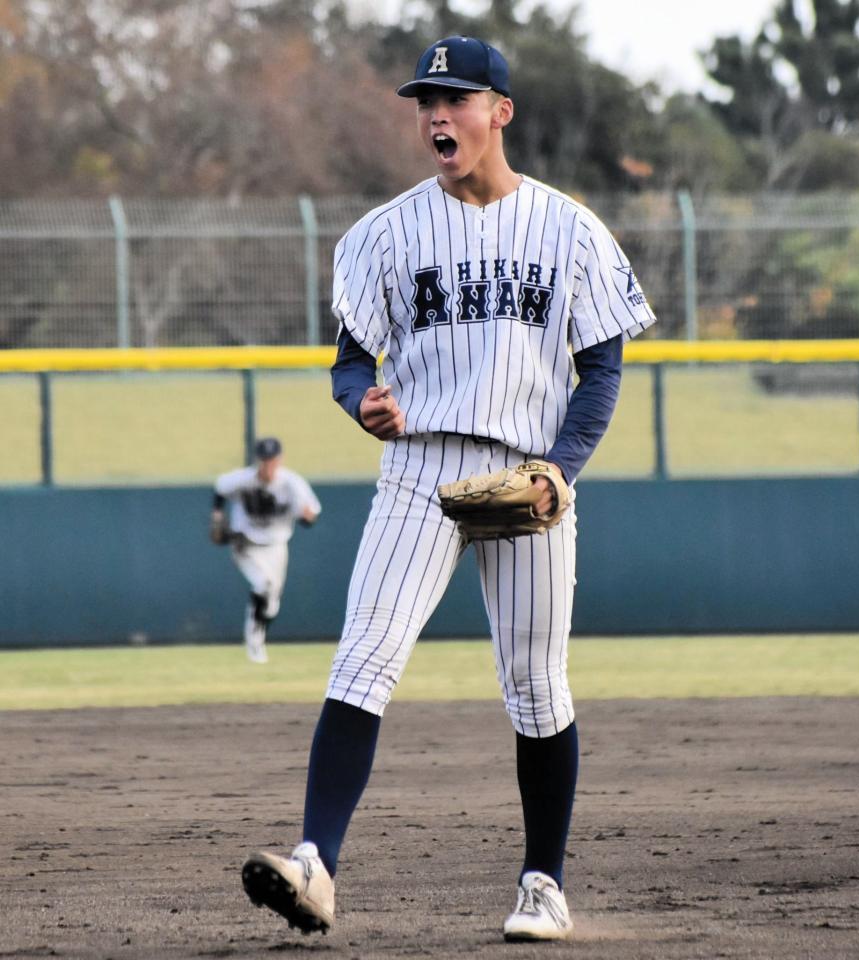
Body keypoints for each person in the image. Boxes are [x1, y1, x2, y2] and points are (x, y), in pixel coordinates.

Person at [241, 35, 655, 940]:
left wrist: (559, 468)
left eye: (456, 98)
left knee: (536, 685)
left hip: (525, 470)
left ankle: (543, 883)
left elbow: (603, 369)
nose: (436, 113)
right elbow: (351, 364)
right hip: (420, 467)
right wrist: (364, 404)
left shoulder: (570, 228)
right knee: (363, 656)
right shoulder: (387, 233)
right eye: (426, 99)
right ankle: (315, 864)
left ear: (499, 112)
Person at [211, 437, 321, 664]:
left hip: (276, 547)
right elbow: (220, 489)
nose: (267, 465)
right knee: (264, 584)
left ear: (279, 460)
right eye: (264, 460)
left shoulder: (292, 484)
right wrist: (218, 515)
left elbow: (310, 518)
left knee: (271, 606)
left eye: (271, 460)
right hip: (246, 544)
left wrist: (307, 516)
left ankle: (258, 636)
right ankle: (254, 644)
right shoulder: (243, 479)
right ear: (258, 461)